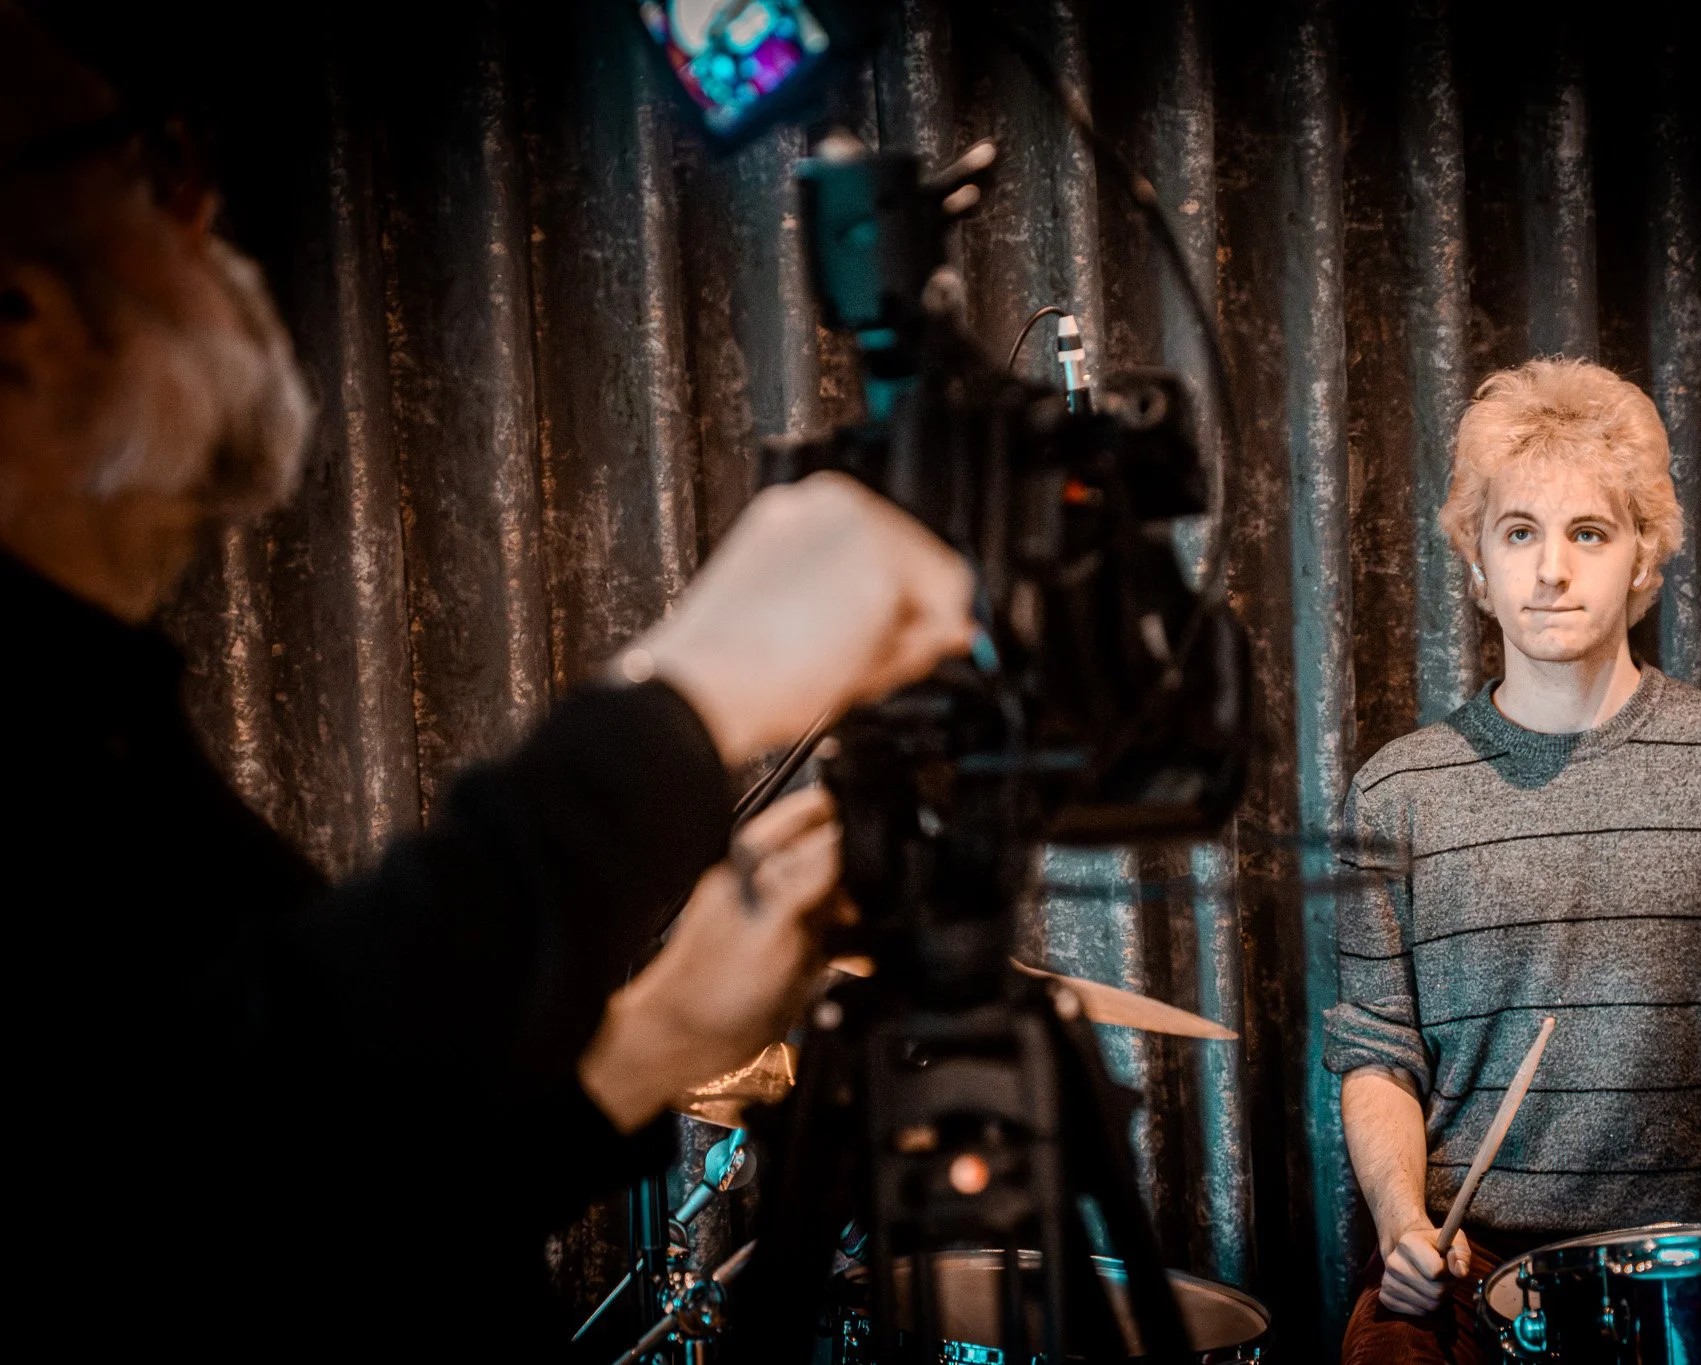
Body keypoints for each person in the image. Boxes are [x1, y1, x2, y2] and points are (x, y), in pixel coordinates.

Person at [0, 7, 975, 1358]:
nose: (214, 212)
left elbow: (296, 1215)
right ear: (20, 325)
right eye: (158, 168)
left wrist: (649, 1041)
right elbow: (185, 1163)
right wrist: (682, 703)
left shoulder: (102, 722)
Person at [1325, 358, 1701, 1364]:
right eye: (1518, 534)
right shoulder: (1393, 793)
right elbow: (1378, 1053)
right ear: (1474, 568)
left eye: (1587, 532)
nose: (1550, 571)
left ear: (1644, 560)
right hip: (1474, 1261)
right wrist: (1401, 1226)